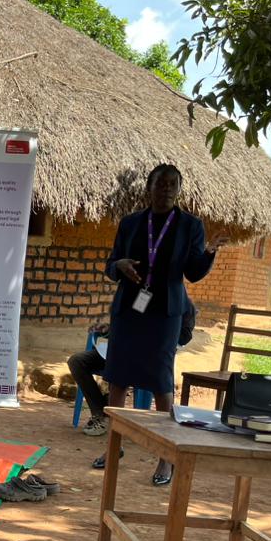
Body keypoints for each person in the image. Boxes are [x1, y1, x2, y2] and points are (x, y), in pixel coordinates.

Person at [98, 163, 227, 485]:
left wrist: (209, 253)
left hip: (165, 313)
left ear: (179, 190)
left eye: (172, 184)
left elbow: (193, 273)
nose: (166, 189)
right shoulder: (131, 223)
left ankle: (165, 458)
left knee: (161, 382)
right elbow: (111, 264)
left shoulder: (190, 226)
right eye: (161, 183)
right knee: (118, 379)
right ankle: (113, 447)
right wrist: (120, 265)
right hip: (130, 309)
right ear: (149, 187)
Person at [71, 300, 197, 437]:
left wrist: (157, 337)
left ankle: (161, 434)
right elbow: (127, 323)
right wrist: (109, 329)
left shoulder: (179, 299)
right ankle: (101, 412)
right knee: (77, 362)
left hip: (149, 358)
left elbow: (185, 336)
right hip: (118, 351)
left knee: (122, 371)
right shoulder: (140, 294)